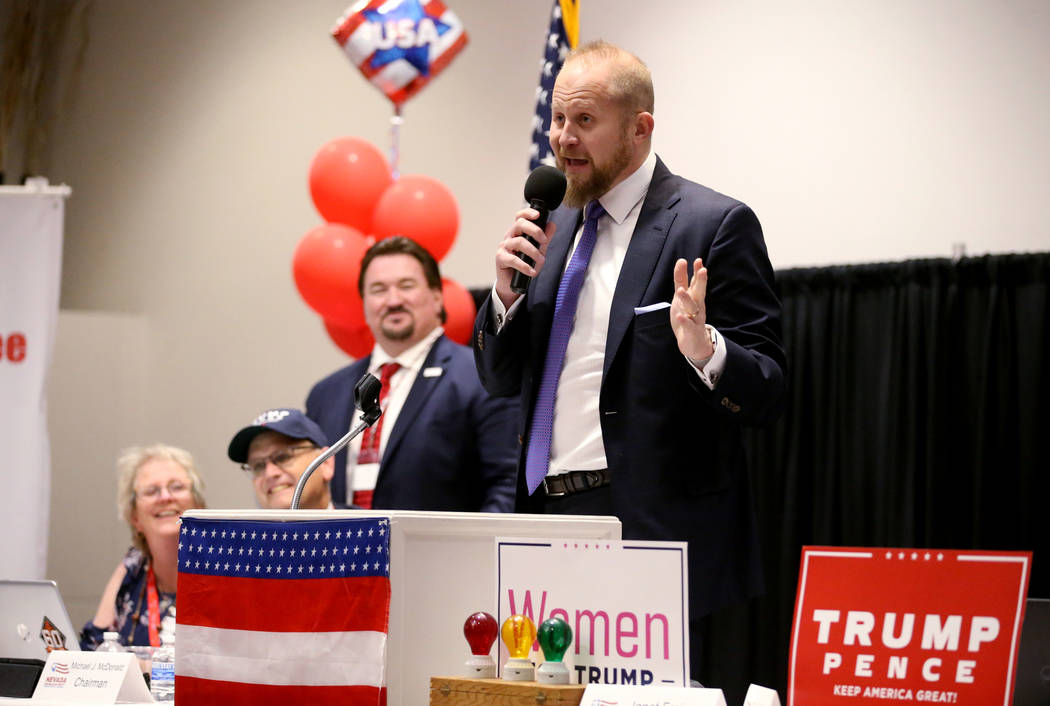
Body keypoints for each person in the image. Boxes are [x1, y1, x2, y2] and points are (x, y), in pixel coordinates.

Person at [472, 40, 787, 676]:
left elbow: (769, 388)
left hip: (651, 529)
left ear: (640, 127)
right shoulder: (551, 227)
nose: (563, 139)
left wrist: (707, 350)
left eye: (584, 121)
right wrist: (504, 302)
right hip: (544, 523)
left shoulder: (711, 223)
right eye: (558, 120)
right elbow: (499, 380)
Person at [306, 236, 518, 512]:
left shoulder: (481, 377)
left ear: (437, 296)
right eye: (378, 289)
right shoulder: (326, 394)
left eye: (406, 286)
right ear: (364, 303)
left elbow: (507, 484)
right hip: (345, 552)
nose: (393, 300)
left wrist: (477, 553)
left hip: (442, 553)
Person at [80, 444, 206, 650]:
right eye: (151, 491)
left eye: (177, 487)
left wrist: (143, 666)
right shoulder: (132, 568)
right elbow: (94, 648)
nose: (165, 497)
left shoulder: (225, 566)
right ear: (135, 517)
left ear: (198, 504)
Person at [227, 408, 335, 510]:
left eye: (283, 457)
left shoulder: (352, 524)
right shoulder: (236, 530)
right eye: (258, 465)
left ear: (325, 463)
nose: (270, 474)